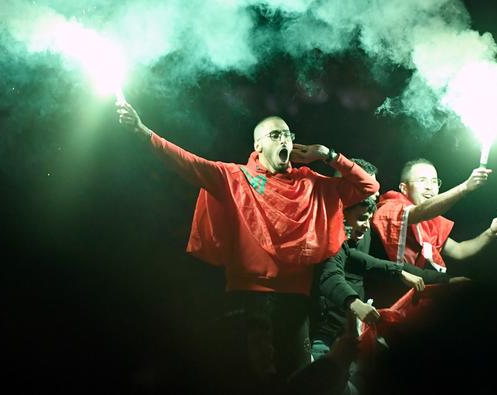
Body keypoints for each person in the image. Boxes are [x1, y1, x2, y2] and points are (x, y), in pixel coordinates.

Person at [116, 102, 379, 382]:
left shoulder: (311, 183)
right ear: (258, 146)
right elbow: (188, 163)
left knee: (298, 381)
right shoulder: (236, 177)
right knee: (254, 382)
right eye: (275, 135)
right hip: (249, 297)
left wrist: (328, 155)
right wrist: (143, 131)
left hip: (296, 300)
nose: (284, 140)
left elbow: (368, 187)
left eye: (288, 134)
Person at [371, 158, 497, 274]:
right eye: (422, 180)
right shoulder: (391, 206)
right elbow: (419, 212)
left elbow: (460, 250)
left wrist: (490, 233)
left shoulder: (432, 223)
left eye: (434, 181)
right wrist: (464, 188)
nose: (430, 186)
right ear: (404, 188)